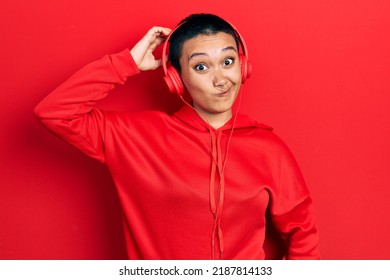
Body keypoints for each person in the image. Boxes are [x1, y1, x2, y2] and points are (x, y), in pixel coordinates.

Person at [34, 13, 320, 260]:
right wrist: (127, 63)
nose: (221, 80)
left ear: (243, 67)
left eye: (229, 61)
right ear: (176, 78)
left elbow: (303, 233)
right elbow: (54, 112)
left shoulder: (269, 148)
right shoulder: (135, 138)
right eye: (201, 67)